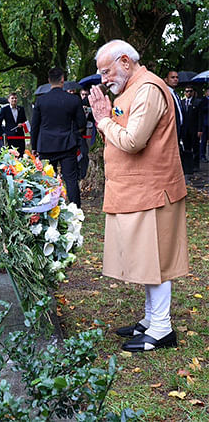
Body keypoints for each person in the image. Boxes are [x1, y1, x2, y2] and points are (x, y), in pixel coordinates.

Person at [88, 39, 188, 352]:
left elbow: (133, 141)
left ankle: (162, 329)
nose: (103, 79)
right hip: (136, 190)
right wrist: (106, 119)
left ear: (126, 62)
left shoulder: (148, 88)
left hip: (154, 192)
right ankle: (150, 319)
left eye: (107, 71)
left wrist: (103, 120)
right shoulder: (131, 88)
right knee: (147, 260)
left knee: (156, 260)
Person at [30, 67, 86, 207]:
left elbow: (35, 126)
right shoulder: (73, 99)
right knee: (71, 179)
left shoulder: (41, 101)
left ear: (49, 81)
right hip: (67, 144)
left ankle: (46, 209)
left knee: (47, 180)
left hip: (46, 145)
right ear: (63, 80)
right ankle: (75, 210)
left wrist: (34, 147)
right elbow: (82, 123)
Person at [181, 86, 202, 172]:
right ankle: (188, 165)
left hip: (194, 129)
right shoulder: (182, 102)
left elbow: (200, 117)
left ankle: (196, 165)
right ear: (185, 93)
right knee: (186, 148)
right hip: (185, 129)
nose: (188, 93)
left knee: (195, 147)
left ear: (193, 92)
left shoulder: (197, 102)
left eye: (190, 91)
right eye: (187, 91)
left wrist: (200, 130)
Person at [199, 88, 209, 162]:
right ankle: (202, 155)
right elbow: (202, 110)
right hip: (205, 123)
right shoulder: (203, 100)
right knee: (204, 140)